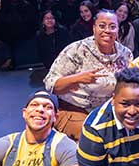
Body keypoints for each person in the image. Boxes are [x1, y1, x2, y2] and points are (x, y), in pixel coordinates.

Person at [44, 10, 133, 141]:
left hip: (112, 110)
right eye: (102, 26)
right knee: (96, 139)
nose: (107, 30)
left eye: (112, 27)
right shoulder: (76, 50)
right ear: (94, 28)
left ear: (118, 29)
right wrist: (78, 78)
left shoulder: (126, 54)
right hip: (76, 109)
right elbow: (50, 83)